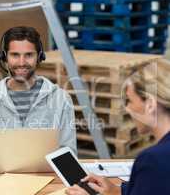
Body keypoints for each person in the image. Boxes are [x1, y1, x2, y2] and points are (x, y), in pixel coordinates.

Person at [0, 26, 77, 159]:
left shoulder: (61, 99)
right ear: (4, 57)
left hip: (46, 178)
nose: (21, 63)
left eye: (29, 55)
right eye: (15, 55)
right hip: (1, 178)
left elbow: (69, 152)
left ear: (39, 57)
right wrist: (15, 159)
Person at [65, 59, 170, 195]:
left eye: (130, 101)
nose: (127, 108)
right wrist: (118, 190)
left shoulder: (153, 161)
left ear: (150, 104)